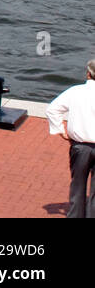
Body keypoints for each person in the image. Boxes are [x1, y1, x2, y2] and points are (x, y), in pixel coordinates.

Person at [46, 58, 95, 218]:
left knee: (78, 185)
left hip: (80, 147)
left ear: (88, 74)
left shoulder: (75, 92)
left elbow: (52, 109)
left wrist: (61, 130)